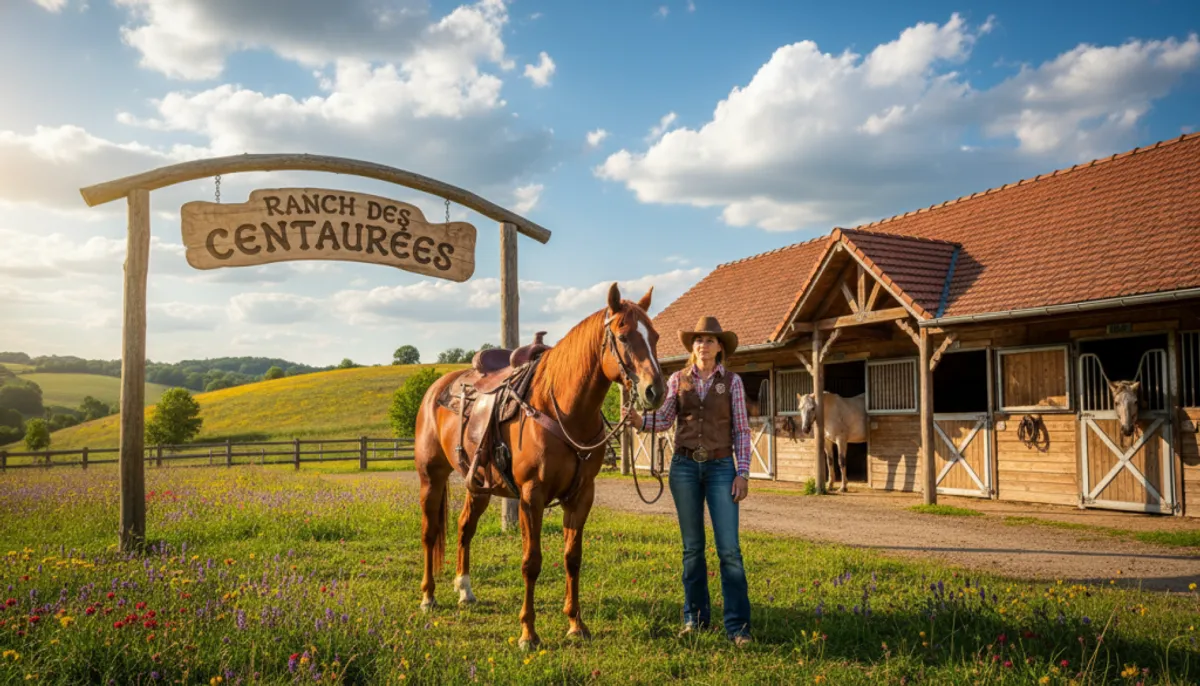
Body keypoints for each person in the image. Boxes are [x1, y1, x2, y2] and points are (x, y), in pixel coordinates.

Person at [630, 315, 753, 645]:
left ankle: (737, 627)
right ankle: (694, 619)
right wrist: (641, 420)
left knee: (729, 550)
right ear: (693, 347)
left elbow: (741, 430)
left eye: (710, 339)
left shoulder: (732, 383)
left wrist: (742, 473)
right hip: (683, 467)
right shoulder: (677, 379)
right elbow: (666, 417)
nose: (703, 344)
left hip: (721, 468)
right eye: (698, 339)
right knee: (692, 549)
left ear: (719, 348)